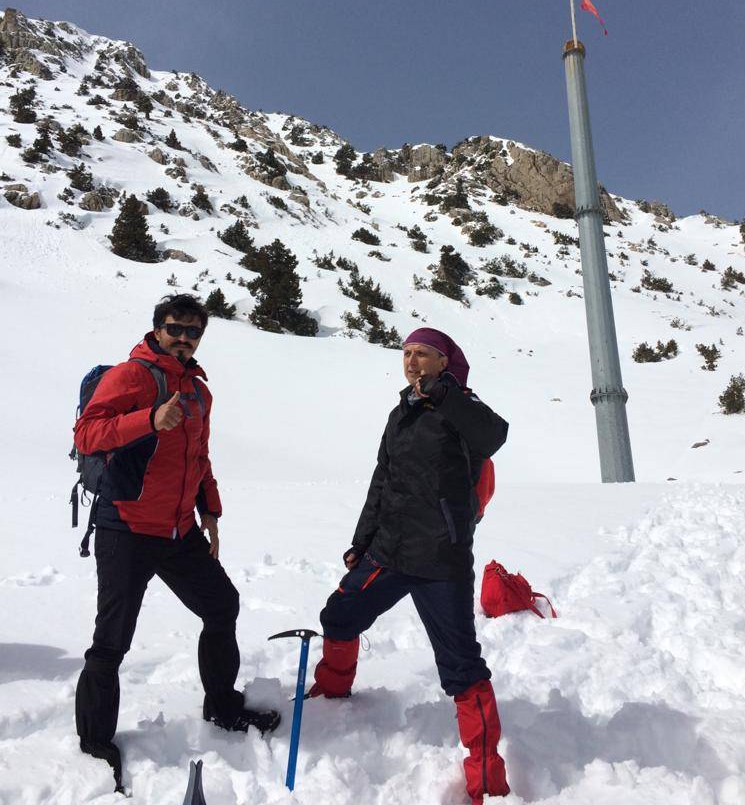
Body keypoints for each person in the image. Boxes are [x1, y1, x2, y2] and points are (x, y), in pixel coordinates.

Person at [73, 294, 279, 791]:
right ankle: (95, 743)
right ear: (157, 329)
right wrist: (148, 419)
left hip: (178, 528)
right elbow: (87, 434)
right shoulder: (131, 375)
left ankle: (222, 706)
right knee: (112, 640)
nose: (184, 339)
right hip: (127, 528)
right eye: (175, 329)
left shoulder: (197, 391)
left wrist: (210, 510)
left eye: (193, 332)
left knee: (221, 605)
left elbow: (199, 456)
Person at [310, 327, 510, 805]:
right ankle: (332, 696)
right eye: (406, 353)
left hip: (442, 558)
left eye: (423, 354)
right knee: (338, 616)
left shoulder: (462, 407)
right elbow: (383, 479)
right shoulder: (400, 412)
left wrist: (446, 396)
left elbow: (494, 435)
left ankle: (488, 780)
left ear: (444, 362)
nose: (412, 361)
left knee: (461, 666)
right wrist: (363, 540)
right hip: (390, 552)